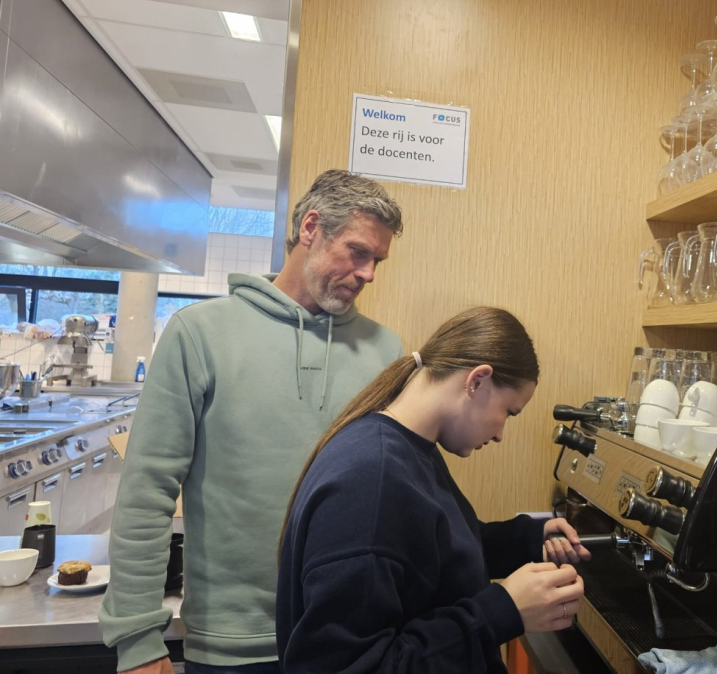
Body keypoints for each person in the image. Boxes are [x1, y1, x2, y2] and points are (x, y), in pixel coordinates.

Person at [100, 170, 405, 674]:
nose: (369, 273)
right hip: (232, 647)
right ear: (311, 228)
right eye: (358, 252)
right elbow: (147, 490)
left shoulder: (386, 351)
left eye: (378, 260)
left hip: (353, 641)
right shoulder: (198, 334)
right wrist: (137, 638)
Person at [277, 306, 590, 673]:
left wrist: (525, 539)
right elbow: (349, 666)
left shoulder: (408, 448)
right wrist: (502, 611)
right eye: (509, 412)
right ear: (477, 381)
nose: (500, 435)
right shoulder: (371, 481)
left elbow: (432, 553)